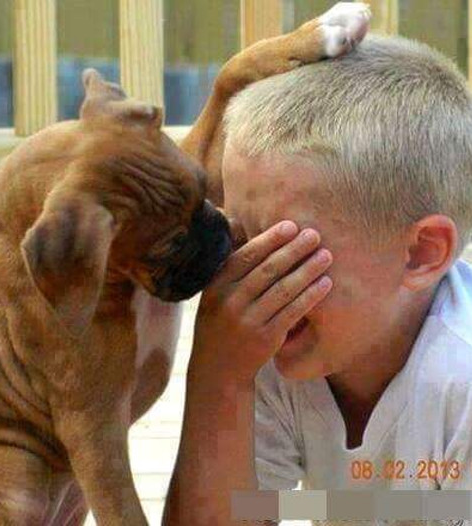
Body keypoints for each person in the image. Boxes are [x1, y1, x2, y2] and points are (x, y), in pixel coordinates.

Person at [162, 33, 472, 526]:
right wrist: (218, 379)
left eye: (282, 252)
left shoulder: (462, 381)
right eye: (236, 239)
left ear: (419, 253)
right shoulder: (273, 345)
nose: (243, 281)